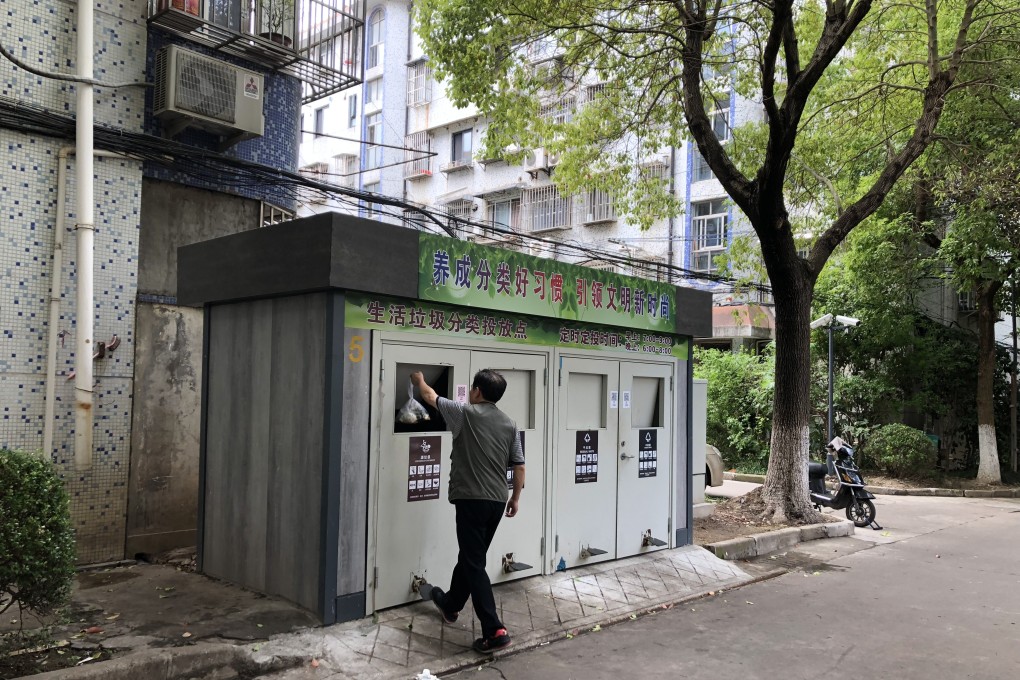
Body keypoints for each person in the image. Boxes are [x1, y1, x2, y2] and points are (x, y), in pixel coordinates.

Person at [410, 368, 525, 654]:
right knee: (471, 557)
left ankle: (494, 629)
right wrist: (516, 498)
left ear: (477, 391)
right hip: (498, 501)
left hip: (471, 500)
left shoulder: (464, 414)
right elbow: (519, 465)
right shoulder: (510, 424)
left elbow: (428, 395)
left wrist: (417, 378)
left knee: (474, 563)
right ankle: (450, 605)